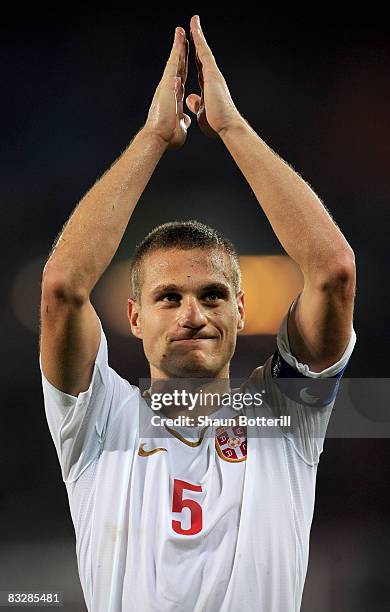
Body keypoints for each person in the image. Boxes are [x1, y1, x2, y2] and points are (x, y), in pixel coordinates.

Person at [39, 14, 357, 612]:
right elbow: (61, 288)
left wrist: (231, 127)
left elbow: (334, 271)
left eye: (212, 295)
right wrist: (154, 136)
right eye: (168, 297)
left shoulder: (284, 412)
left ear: (240, 309)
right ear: (133, 317)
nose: (192, 314)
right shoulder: (98, 419)